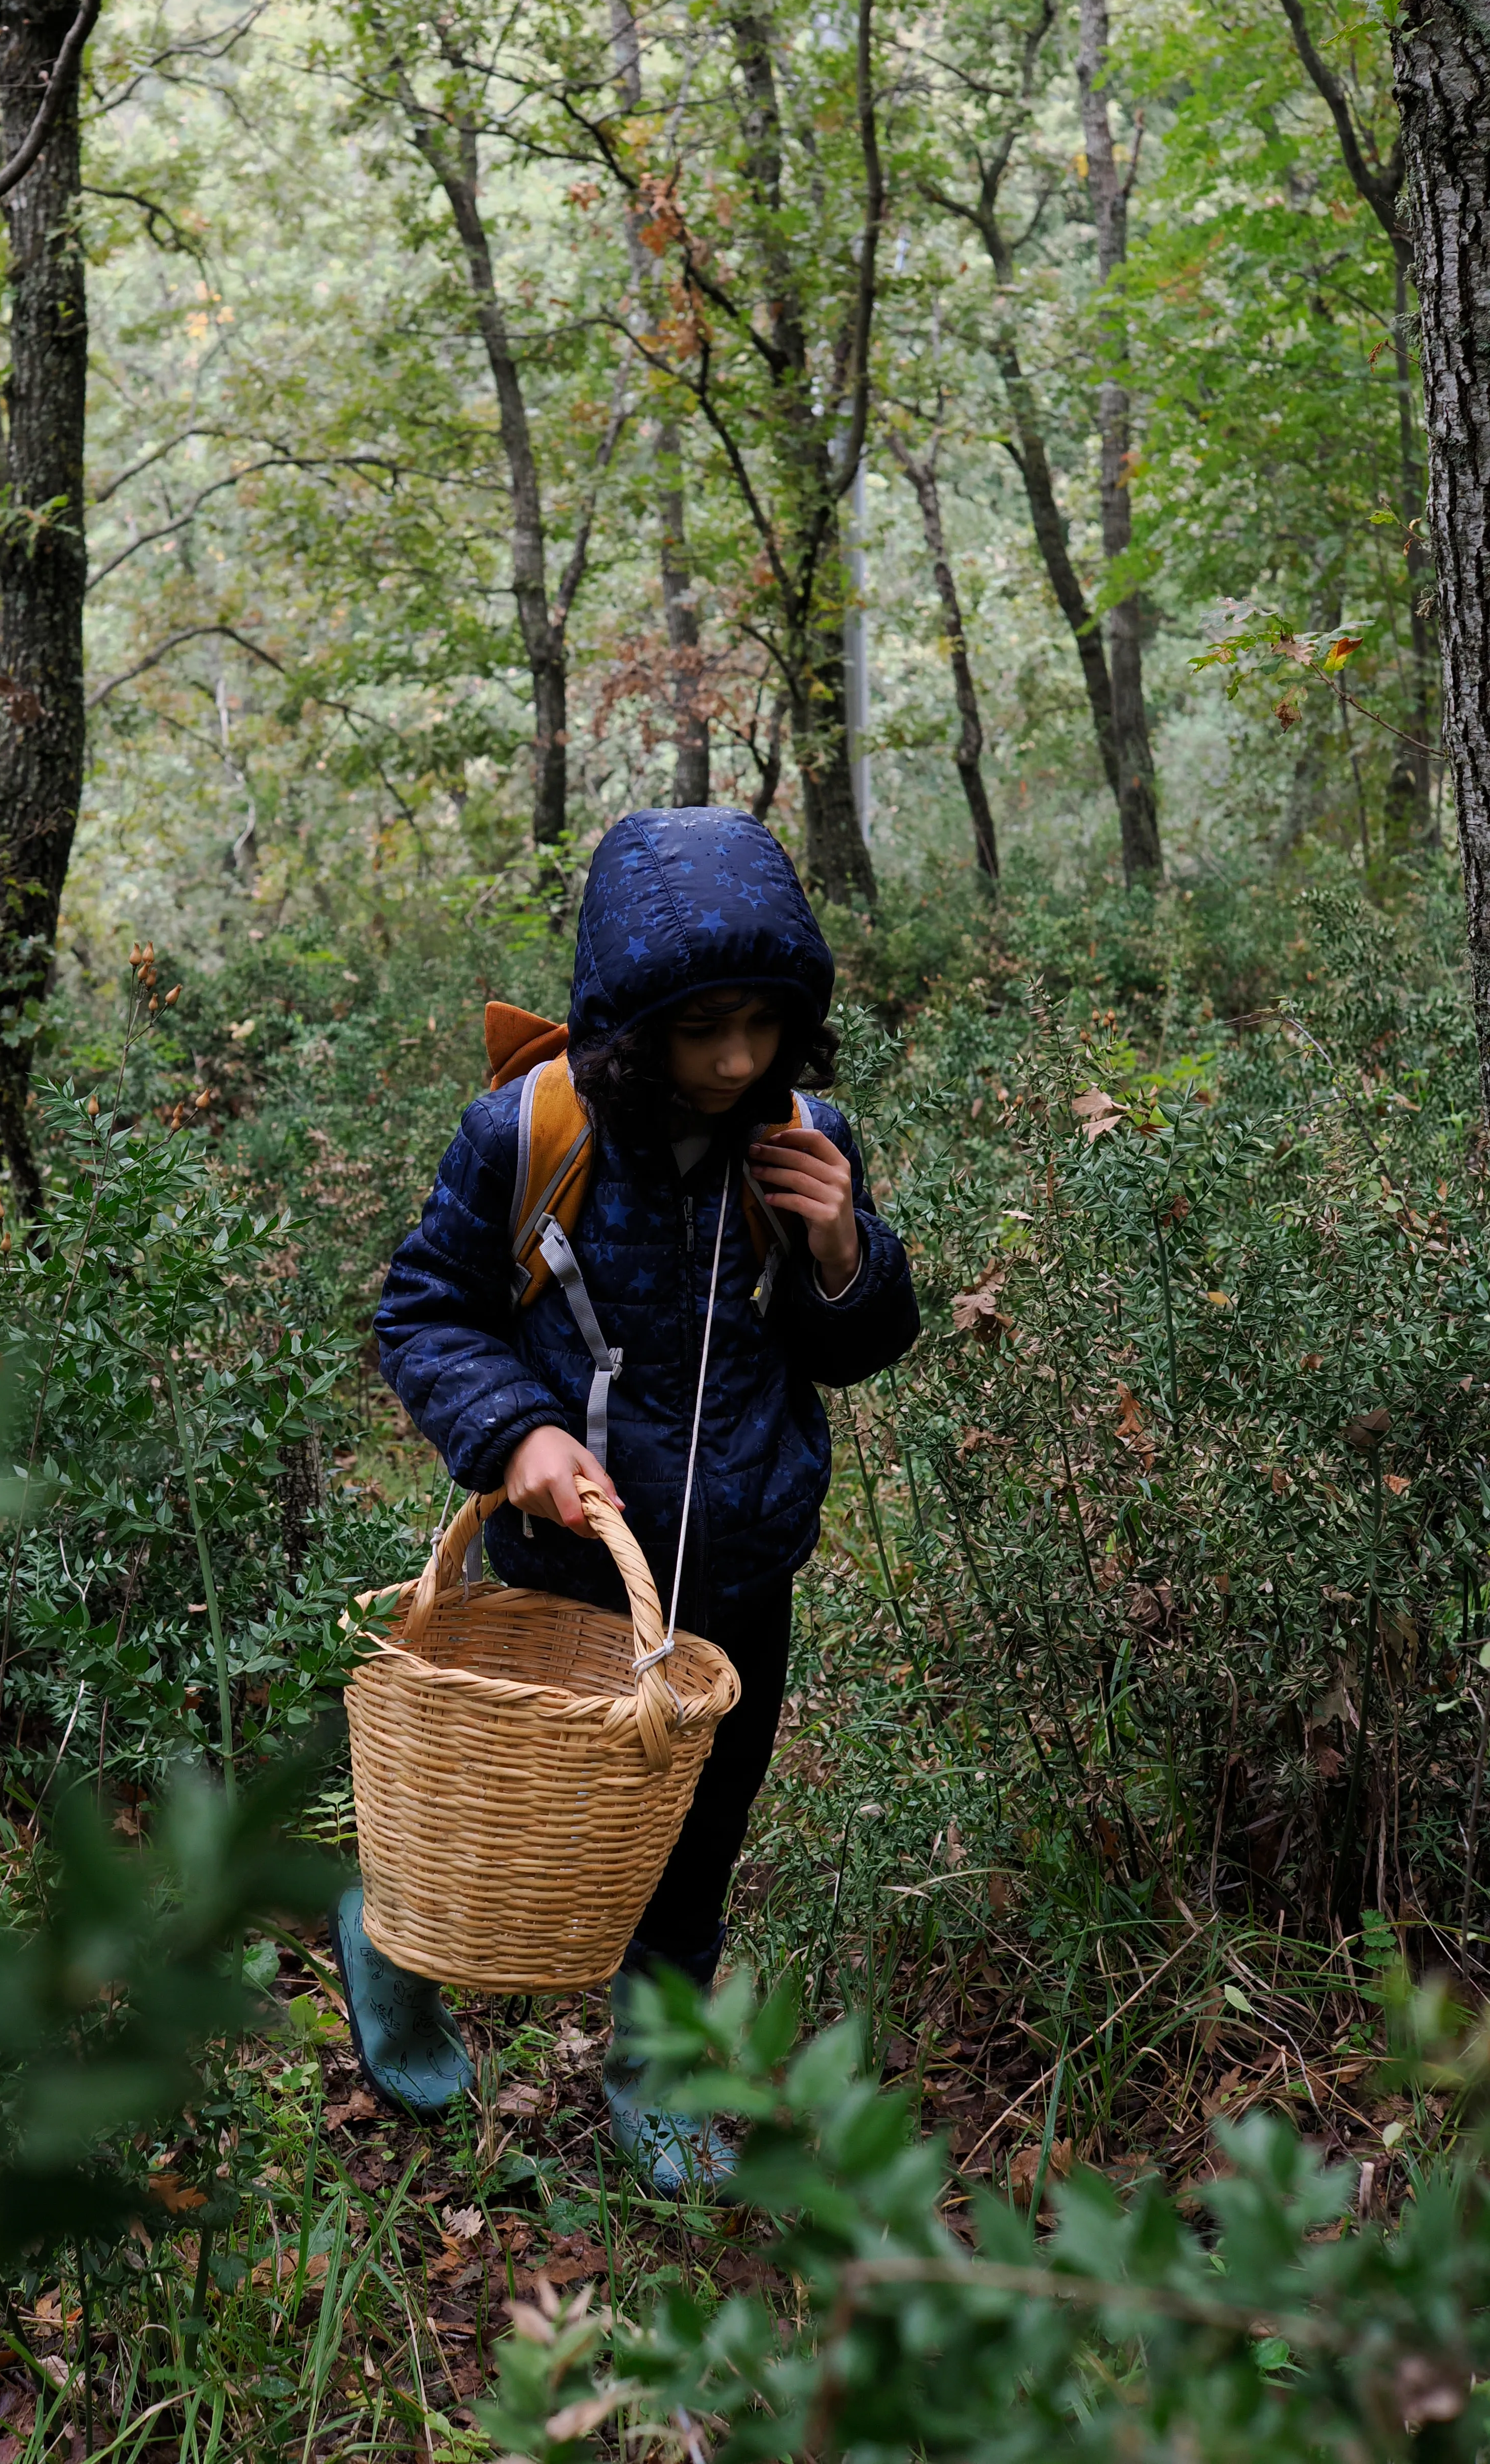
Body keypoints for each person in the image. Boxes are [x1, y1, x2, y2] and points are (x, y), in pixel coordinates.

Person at [337, 807, 920, 2192]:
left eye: (761, 1025)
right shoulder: (527, 1131)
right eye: (700, 1027)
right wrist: (516, 1432)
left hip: (740, 1563)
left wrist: (845, 1245)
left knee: (695, 1840)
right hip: (574, 1561)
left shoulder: (808, 1135)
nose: (734, 1059)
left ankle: (653, 2085)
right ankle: (398, 1942)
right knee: (523, 1836)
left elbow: (850, 1347)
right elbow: (425, 1314)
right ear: (629, 1019)